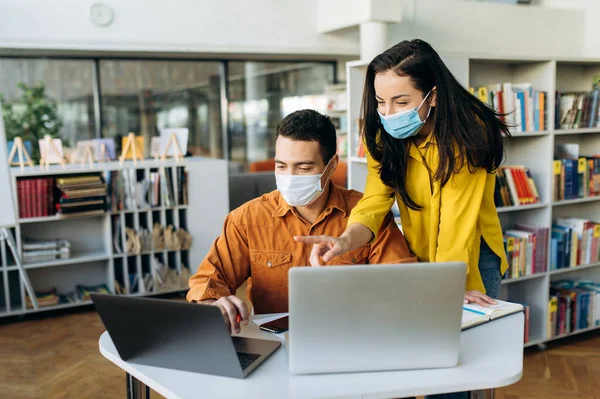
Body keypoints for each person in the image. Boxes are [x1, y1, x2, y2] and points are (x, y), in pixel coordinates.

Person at [295, 39, 510, 309]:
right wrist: (346, 240)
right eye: (380, 101)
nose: (387, 113)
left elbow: (457, 222)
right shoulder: (381, 134)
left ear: (432, 95)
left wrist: (449, 282)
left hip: (470, 254)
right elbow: (375, 200)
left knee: (467, 337)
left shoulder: (468, 133)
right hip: (419, 250)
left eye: (401, 101)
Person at [187, 109, 417, 335]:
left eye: (304, 167)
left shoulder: (367, 214)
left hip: (353, 335)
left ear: (332, 164)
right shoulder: (247, 219)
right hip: (276, 343)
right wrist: (212, 303)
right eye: (281, 166)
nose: (290, 177)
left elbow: (402, 282)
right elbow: (207, 281)